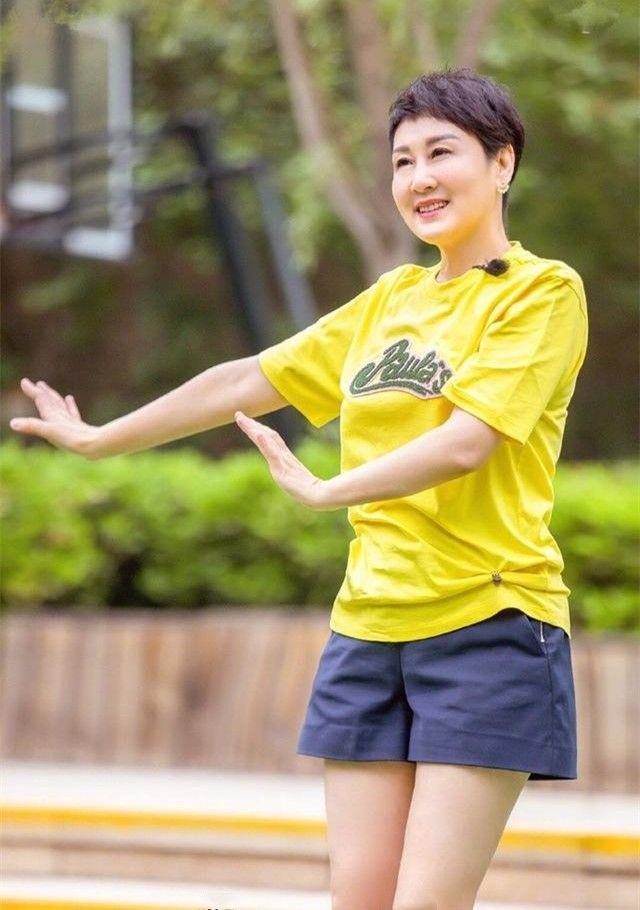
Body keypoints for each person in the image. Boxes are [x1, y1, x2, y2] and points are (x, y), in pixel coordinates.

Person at [10, 67, 588, 910]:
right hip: (369, 629)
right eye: (402, 161)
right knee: (358, 900)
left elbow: (469, 443)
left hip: (489, 625)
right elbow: (249, 378)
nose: (419, 178)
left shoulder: (543, 292)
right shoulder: (390, 299)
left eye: (442, 153)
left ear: (502, 163)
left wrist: (328, 491)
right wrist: (103, 439)